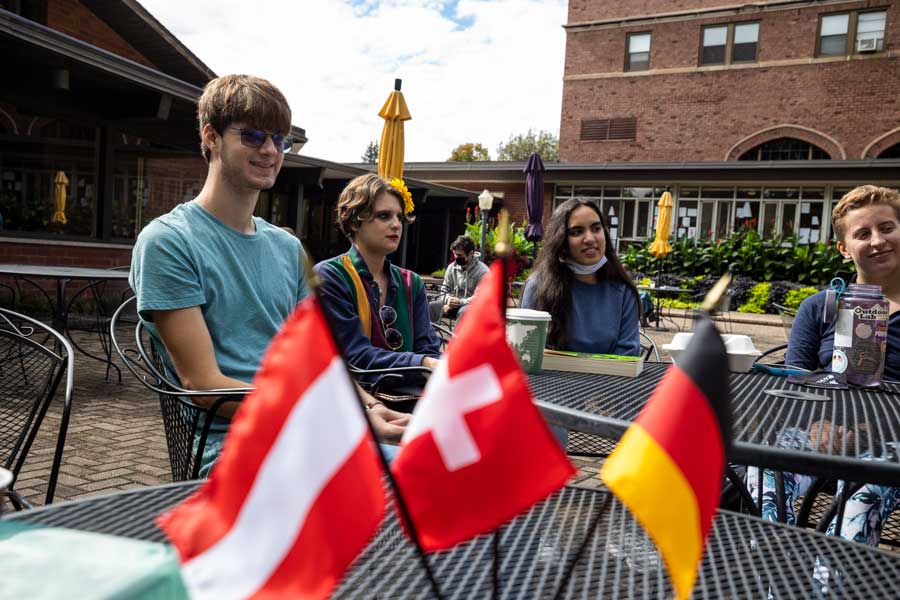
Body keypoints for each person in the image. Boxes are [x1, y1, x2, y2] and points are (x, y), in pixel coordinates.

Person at [130, 74, 407, 477]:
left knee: (450, 466)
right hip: (235, 448)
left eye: (280, 140)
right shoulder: (169, 242)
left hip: (312, 432)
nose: (269, 150)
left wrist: (369, 405)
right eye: (253, 136)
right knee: (417, 489)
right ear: (211, 137)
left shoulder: (287, 248)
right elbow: (204, 384)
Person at [748, 185, 900, 545]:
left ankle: (830, 583)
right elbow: (793, 382)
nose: (877, 240)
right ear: (844, 249)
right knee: (761, 475)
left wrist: (866, 430)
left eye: (887, 227)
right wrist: (819, 426)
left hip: (892, 443)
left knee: (857, 504)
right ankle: (769, 569)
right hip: (820, 432)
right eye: (863, 233)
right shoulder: (821, 307)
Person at [315, 174, 441, 374]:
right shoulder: (331, 275)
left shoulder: (412, 282)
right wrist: (424, 363)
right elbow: (354, 355)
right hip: (356, 398)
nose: (397, 224)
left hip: (412, 395)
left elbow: (428, 348)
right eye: (384, 216)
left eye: (399, 217)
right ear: (355, 221)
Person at [521, 198, 641, 356]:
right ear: (561, 240)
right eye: (577, 232)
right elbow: (527, 353)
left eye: (596, 228)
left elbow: (628, 356)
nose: (590, 239)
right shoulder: (538, 286)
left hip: (611, 380)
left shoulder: (624, 292)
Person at [428, 235, 489, 323]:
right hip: (453, 304)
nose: (457, 258)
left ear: (471, 253)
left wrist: (460, 302)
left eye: (460, 255)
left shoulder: (483, 271)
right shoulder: (452, 267)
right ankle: (427, 335)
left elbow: (480, 298)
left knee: (465, 312)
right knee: (431, 307)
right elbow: (445, 289)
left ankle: (458, 337)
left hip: (473, 307)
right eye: (455, 254)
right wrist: (448, 300)